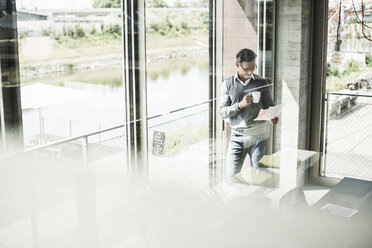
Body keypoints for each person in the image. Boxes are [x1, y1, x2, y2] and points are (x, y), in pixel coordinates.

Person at [219, 48, 279, 179]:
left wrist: (272, 118)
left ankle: (257, 198)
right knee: (231, 176)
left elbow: (270, 106)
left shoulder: (262, 82)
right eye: (247, 69)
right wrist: (240, 105)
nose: (251, 72)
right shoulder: (228, 84)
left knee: (259, 175)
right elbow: (222, 113)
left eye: (253, 68)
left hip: (258, 135)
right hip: (236, 137)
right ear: (237, 65)